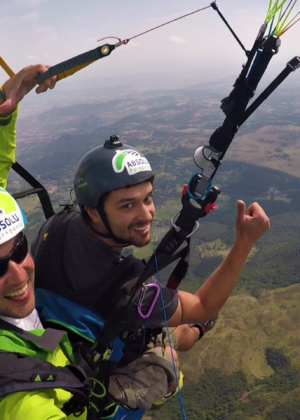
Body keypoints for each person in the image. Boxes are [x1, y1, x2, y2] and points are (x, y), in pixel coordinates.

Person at [0, 64, 270, 419]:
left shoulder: (60, 227)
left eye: (148, 198)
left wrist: (5, 113)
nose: (146, 214)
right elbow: (203, 302)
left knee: (176, 331)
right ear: (94, 212)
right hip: (96, 363)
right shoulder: (132, 290)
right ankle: (196, 335)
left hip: (67, 337)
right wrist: (243, 243)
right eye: (127, 205)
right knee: (180, 340)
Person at [0, 66, 97, 420]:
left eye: (20, 249)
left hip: (58, 364)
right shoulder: (16, 397)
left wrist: (6, 105)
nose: (17, 272)